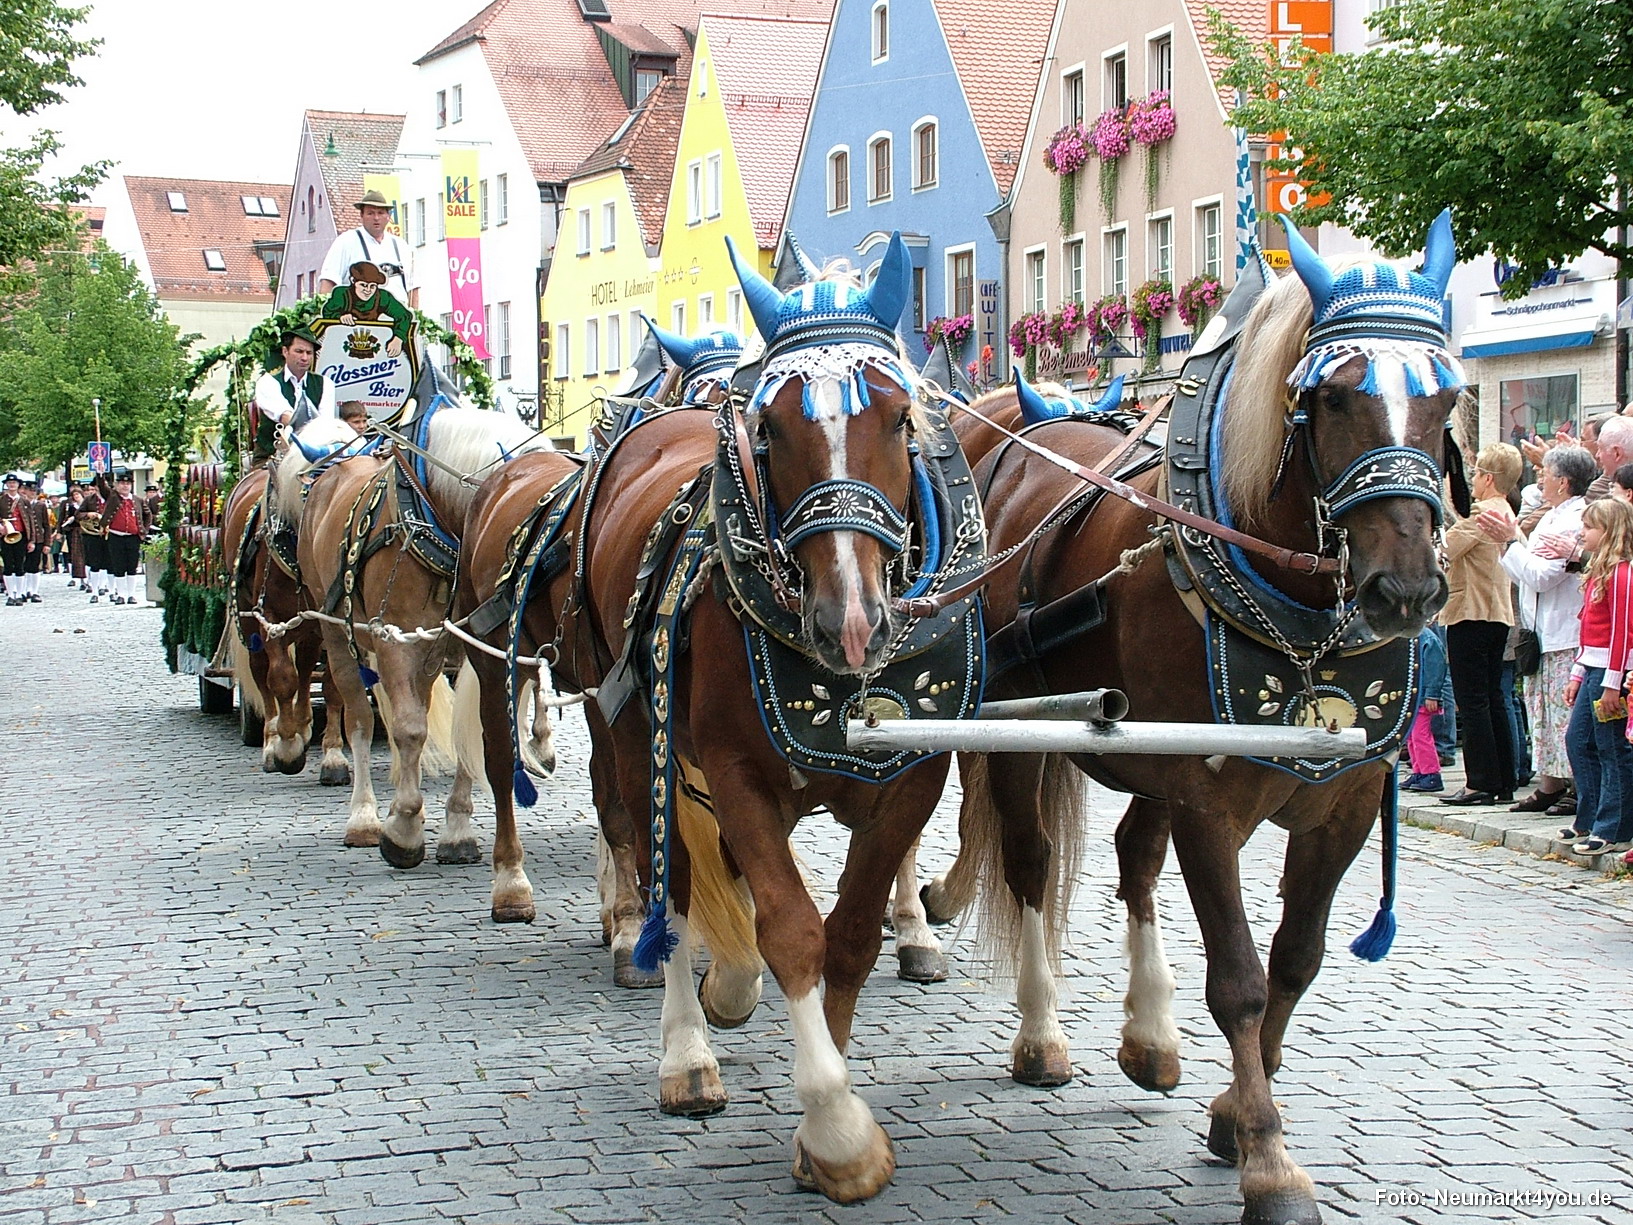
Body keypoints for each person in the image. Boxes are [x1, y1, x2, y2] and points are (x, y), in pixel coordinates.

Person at [1481, 444, 1595, 814]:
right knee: (1540, 711)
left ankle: (1576, 785)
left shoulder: (1575, 518)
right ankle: (1550, 782)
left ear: (1562, 481)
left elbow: (1543, 576)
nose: (1539, 477)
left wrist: (1512, 542)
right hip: (1540, 631)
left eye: (1544, 472)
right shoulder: (1551, 515)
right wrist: (1511, 544)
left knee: (1563, 714)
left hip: (1564, 633)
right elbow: (1526, 570)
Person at [1441, 443, 1523, 806]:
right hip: (1498, 613)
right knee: (1493, 699)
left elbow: (1444, 549)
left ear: (1489, 478)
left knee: (1472, 701)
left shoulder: (1482, 514)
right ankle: (1504, 777)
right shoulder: (1506, 511)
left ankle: (1480, 781)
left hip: (1470, 611)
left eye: (1475, 474)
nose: (1472, 480)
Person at [1561, 497, 1633, 854]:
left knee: (1612, 748)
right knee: (1579, 741)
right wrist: (1578, 671)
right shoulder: (1598, 572)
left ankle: (1614, 826)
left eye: (1589, 527)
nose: (1582, 533)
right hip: (1592, 665)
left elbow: (1622, 631)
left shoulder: (1621, 573)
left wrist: (1613, 682)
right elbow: (1587, 628)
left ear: (1609, 532)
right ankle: (1588, 815)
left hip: (1610, 671)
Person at [317, 189, 416, 309]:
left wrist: (415, 319)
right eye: (370, 213)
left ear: (388, 216)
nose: (376, 218)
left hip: (396, 319)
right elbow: (328, 282)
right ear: (361, 215)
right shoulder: (346, 242)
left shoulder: (401, 246)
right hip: (357, 321)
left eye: (380, 213)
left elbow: (413, 288)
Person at [252, 328, 337, 463]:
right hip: (271, 458)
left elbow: (325, 425)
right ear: (285, 352)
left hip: (312, 458)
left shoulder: (326, 384)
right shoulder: (268, 382)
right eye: (299, 351)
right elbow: (287, 417)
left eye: (309, 353)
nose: (304, 357)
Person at [321, 262, 411, 358]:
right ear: (353, 281)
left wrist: (398, 339)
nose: (368, 290)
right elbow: (327, 312)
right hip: (341, 346)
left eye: (372, 286)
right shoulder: (342, 294)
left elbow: (404, 315)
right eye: (363, 285)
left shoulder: (383, 297)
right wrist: (340, 317)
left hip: (374, 345)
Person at [1403, 622, 1449, 792]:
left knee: (1421, 736)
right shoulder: (1411, 637)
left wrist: (1432, 694)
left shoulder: (1427, 638)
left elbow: (1435, 668)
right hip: (1414, 696)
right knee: (1411, 737)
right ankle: (1419, 770)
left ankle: (1431, 773)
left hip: (1423, 697)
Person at [97, 468, 152, 606]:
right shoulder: (112, 496)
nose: (125, 486)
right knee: (118, 566)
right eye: (122, 483)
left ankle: (131, 595)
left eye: (127, 484)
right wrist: (100, 473)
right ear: (117, 485)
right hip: (116, 536)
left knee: (132, 566)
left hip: (133, 537)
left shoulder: (137, 500)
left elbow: (148, 514)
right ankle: (121, 594)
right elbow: (102, 487)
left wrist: (143, 531)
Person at [0, 472, 29, 605]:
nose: (12, 485)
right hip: (5, 535)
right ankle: (11, 594)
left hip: (21, 535)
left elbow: (30, 522)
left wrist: (32, 540)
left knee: (20, 565)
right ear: (6, 485)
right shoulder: (1, 500)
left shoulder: (24, 500)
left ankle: (20, 593)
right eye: (9, 483)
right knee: (8, 565)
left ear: (18, 485)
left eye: (14, 483)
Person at [18, 476, 48, 602]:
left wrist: (47, 543)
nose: (31, 493)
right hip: (23, 538)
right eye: (29, 490)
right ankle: (24, 590)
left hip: (38, 539)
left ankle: (34, 591)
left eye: (34, 491)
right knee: (23, 565)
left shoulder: (40, 505)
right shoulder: (20, 503)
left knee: (34, 566)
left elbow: (46, 525)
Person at [78, 479, 108, 598]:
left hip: (108, 533)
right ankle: (94, 590)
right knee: (94, 563)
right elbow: (78, 514)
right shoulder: (88, 500)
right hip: (92, 534)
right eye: (96, 487)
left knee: (108, 563)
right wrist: (88, 514)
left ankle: (103, 586)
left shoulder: (111, 498)